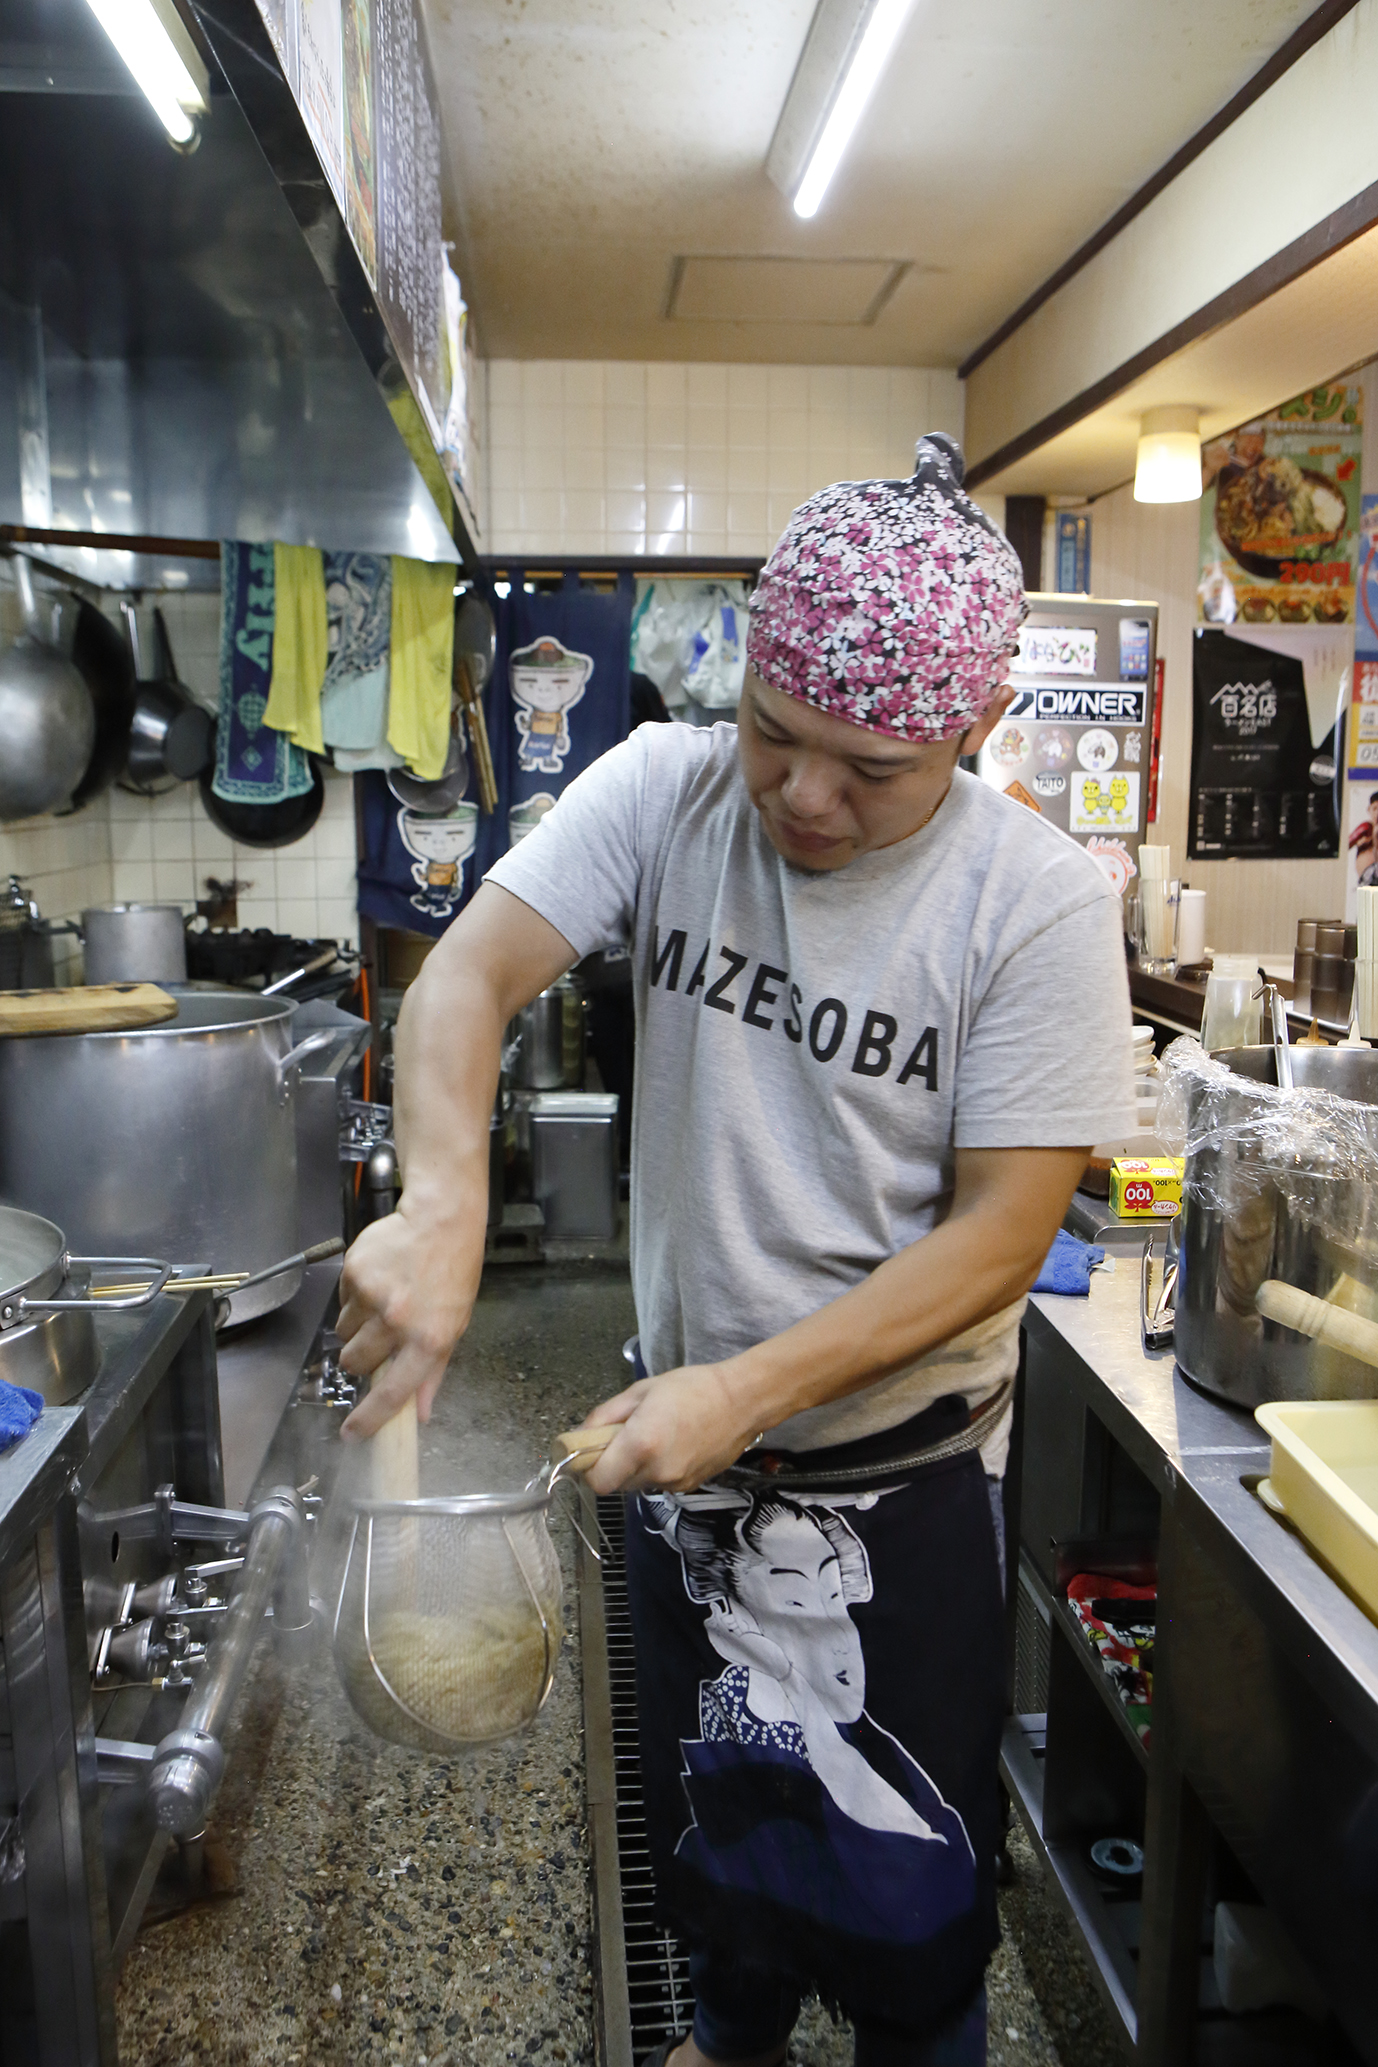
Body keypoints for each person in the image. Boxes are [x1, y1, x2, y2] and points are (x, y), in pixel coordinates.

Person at [337, 435, 1137, 2066]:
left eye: (874, 770)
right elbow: (462, 985)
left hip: (893, 1497)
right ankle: (726, 2027)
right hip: (679, 1468)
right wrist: (440, 1207)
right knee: (713, 1838)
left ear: (970, 735)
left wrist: (750, 1390)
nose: (805, 795)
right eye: (777, 735)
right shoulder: (663, 789)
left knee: (910, 1903)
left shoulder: (1032, 903)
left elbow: (1004, 1232)